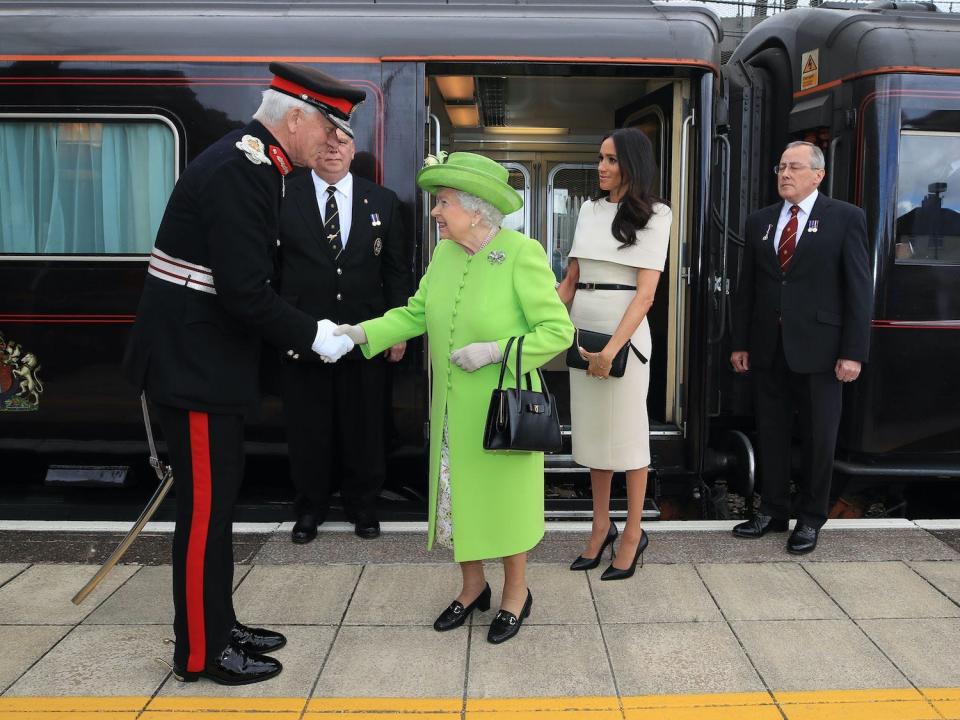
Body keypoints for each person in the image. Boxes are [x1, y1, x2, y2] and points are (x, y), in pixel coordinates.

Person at [122, 63, 365, 685]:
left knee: (219, 507)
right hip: (196, 370)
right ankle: (201, 653)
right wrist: (315, 335)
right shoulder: (243, 170)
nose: (333, 144)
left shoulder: (258, 165)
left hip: (208, 366)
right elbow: (243, 291)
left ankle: (220, 622)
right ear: (294, 118)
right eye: (328, 129)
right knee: (205, 514)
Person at [335, 152, 573, 644]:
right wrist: (357, 334)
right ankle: (472, 588)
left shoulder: (520, 253)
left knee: (505, 505)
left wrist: (493, 351)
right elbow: (416, 313)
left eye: (442, 203)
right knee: (456, 500)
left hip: (502, 411)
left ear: (476, 208)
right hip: (450, 411)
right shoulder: (444, 255)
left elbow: (558, 332)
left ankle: (516, 595)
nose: (435, 213)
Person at [730, 140, 872, 554]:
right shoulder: (761, 221)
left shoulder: (845, 218)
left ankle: (810, 518)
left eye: (794, 167)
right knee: (771, 432)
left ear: (818, 175)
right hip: (768, 347)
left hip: (823, 351)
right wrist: (741, 342)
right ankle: (772, 510)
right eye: (781, 167)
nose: (785, 174)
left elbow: (859, 289)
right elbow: (748, 289)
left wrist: (854, 351)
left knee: (819, 437)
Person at [278, 129, 411, 543]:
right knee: (308, 428)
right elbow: (272, 268)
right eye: (327, 142)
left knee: (365, 426)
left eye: (342, 142)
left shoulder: (383, 201)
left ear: (354, 150)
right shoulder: (285, 197)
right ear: (312, 150)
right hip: (303, 335)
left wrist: (397, 330)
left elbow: (395, 270)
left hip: (365, 335)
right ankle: (310, 508)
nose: (334, 149)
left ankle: (363, 506)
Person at [557, 128, 671, 581]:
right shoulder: (587, 210)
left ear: (632, 163)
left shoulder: (656, 214)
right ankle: (600, 526)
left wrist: (610, 350)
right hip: (584, 329)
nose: (601, 167)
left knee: (628, 439)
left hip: (624, 335)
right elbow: (567, 284)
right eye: (599, 157)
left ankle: (633, 534)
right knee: (592, 440)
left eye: (610, 159)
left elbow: (645, 296)